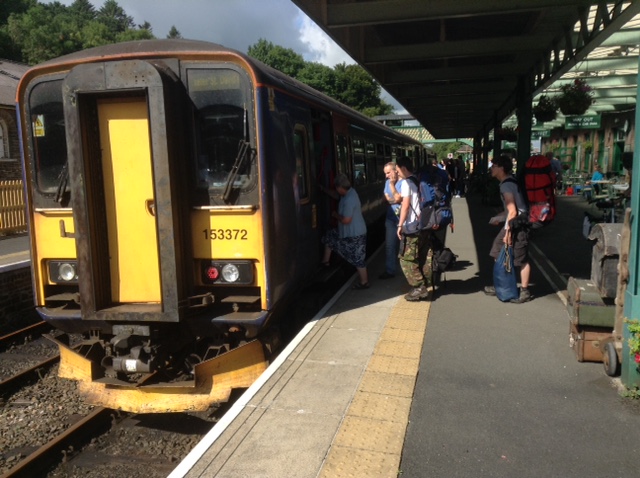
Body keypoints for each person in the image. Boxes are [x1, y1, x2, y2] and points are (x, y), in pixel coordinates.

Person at [484, 154, 532, 303]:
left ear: (502, 168)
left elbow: (513, 211)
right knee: (497, 252)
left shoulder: (506, 185)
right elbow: (510, 210)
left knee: (520, 258)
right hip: (514, 222)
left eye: (494, 166)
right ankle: (502, 284)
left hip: (518, 225)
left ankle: (524, 291)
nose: (491, 168)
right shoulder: (507, 182)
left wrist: (508, 233)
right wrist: (498, 217)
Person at [320, 173, 369, 289]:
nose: (336, 191)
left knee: (358, 259)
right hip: (349, 232)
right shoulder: (349, 193)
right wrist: (323, 189)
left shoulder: (349, 199)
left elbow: (346, 220)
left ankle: (364, 282)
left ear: (339, 187)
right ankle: (325, 262)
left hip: (355, 234)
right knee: (330, 236)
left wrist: (335, 215)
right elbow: (336, 196)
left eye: (336, 188)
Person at [395, 156, 433, 301]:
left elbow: (405, 205)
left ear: (404, 168)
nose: (397, 173)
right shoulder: (418, 180)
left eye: (398, 171)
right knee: (421, 256)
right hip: (423, 224)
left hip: (412, 227)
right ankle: (426, 282)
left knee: (406, 258)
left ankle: (419, 287)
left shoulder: (406, 183)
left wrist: (400, 225)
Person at [380, 162, 404, 279]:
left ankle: (407, 270)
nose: (387, 176)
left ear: (396, 170)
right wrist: (395, 199)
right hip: (390, 219)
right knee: (390, 246)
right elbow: (385, 199)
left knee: (403, 246)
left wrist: (392, 188)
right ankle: (390, 271)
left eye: (388, 172)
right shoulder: (386, 183)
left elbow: (400, 199)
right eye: (385, 173)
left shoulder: (403, 183)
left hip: (403, 220)